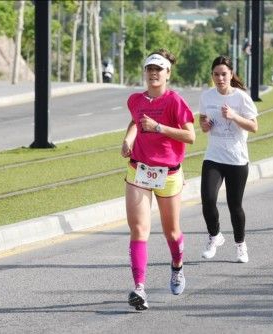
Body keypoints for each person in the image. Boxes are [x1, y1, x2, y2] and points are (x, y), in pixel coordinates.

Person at [121, 49, 195, 310]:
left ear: (167, 74)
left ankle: (177, 266)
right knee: (139, 229)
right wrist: (129, 139)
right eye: (149, 69)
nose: (153, 73)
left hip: (169, 173)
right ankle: (139, 287)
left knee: (171, 231)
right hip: (139, 170)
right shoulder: (135, 100)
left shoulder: (175, 102)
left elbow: (191, 136)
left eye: (158, 69)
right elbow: (135, 121)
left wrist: (159, 128)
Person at [198, 55, 258, 263]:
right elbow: (202, 120)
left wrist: (233, 116)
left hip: (236, 159)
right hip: (213, 157)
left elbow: (254, 126)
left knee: (235, 206)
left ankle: (241, 245)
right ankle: (215, 236)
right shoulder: (207, 96)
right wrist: (205, 126)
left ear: (231, 74)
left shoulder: (241, 98)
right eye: (216, 74)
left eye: (224, 74)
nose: (220, 78)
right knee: (207, 199)